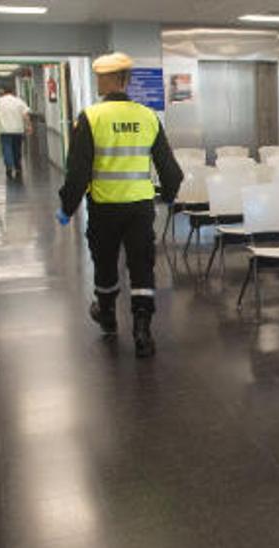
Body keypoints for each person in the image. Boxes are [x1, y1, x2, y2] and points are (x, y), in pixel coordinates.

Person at [57, 52, 182, 358]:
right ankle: (142, 330)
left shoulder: (91, 117)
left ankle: (109, 316)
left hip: (105, 207)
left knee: (105, 262)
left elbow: (77, 173)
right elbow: (170, 169)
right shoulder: (148, 116)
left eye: (101, 76)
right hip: (140, 207)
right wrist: (168, 196)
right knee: (142, 266)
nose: (99, 81)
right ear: (126, 81)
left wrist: (66, 208)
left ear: (110, 79)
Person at [0, 86, 31, 179]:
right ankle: (18, 167)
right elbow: (25, 115)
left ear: (4, 92)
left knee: (6, 148)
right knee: (17, 149)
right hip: (18, 130)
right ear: (13, 92)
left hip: (4, 130)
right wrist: (28, 126)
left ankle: (9, 167)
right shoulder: (19, 101)